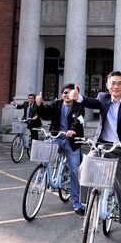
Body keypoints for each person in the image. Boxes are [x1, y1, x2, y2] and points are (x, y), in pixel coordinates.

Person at [70, 71, 121, 243]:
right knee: (84, 168)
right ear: (108, 85)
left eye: (120, 83)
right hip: (101, 145)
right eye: (113, 83)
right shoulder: (103, 97)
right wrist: (78, 98)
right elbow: (89, 102)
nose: (116, 86)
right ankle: (87, 204)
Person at [35, 84, 85, 215]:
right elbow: (46, 114)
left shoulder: (79, 107)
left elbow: (79, 121)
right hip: (56, 136)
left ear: (74, 95)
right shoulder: (56, 104)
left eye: (69, 93)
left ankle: (76, 202)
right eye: (64, 92)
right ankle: (41, 175)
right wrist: (39, 104)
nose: (66, 95)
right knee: (43, 149)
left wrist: (72, 130)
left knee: (74, 170)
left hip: (71, 140)